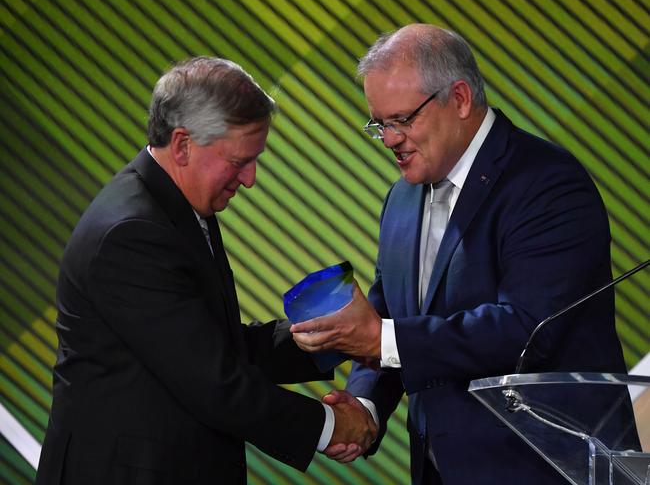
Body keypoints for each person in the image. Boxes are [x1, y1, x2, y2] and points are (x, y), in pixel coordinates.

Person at [292, 24, 638, 484]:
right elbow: (393, 311)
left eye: (401, 120)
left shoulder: (546, 183)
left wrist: (382, 339)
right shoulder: (401, 198)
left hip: (539, 470)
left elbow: (526, 330)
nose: (390, 139)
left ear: (458, 99)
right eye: (379, 124)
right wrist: (367, 404)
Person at [35, 57, 376, 485]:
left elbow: (216, 344)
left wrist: (338, 338)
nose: (249, 179)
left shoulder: (174, 206)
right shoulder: (131, 234)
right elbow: (214, 384)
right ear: (182, 145)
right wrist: (330, 426)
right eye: (238, 162)